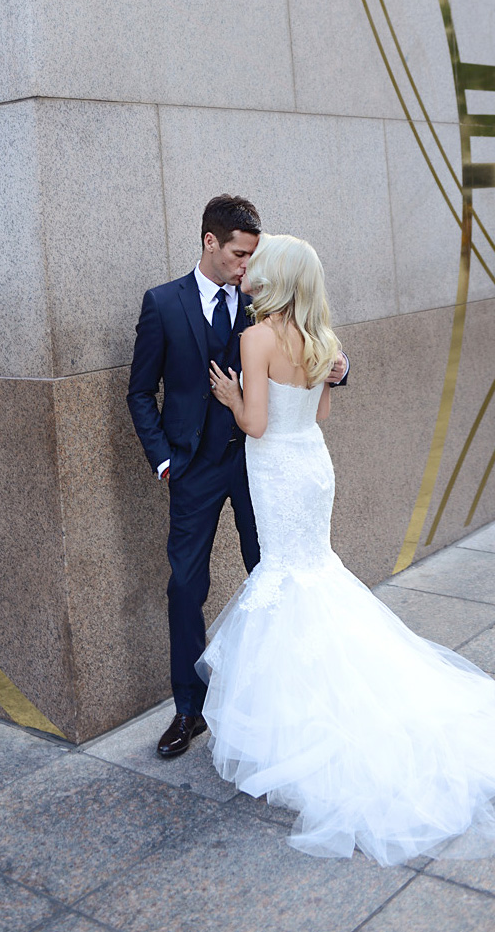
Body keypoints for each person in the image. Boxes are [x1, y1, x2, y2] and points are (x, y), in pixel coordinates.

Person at [203, 233, 495, 865]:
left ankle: (304, 718)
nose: (250, 271)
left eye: (261, 264)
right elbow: (322, 413)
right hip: (312, 464)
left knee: (288, 574)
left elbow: (254, 423)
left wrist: (231, 398)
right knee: (312, 571)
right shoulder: (323, 340)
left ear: (276, 276)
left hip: (277, 468)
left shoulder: (256, 339)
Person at [127, 196, 347, 759]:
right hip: (194, 469)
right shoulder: (162, 303)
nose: (247, 266)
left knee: (274, 579)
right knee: (185, 586)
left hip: (263, 467)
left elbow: (310, 345)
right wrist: (163, 458)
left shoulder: (262, 302)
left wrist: (341, 371)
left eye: (254, 256)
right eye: (238, 254)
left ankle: (288, 704)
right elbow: (139, 392)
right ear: (209, 242)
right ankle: (187, 710)